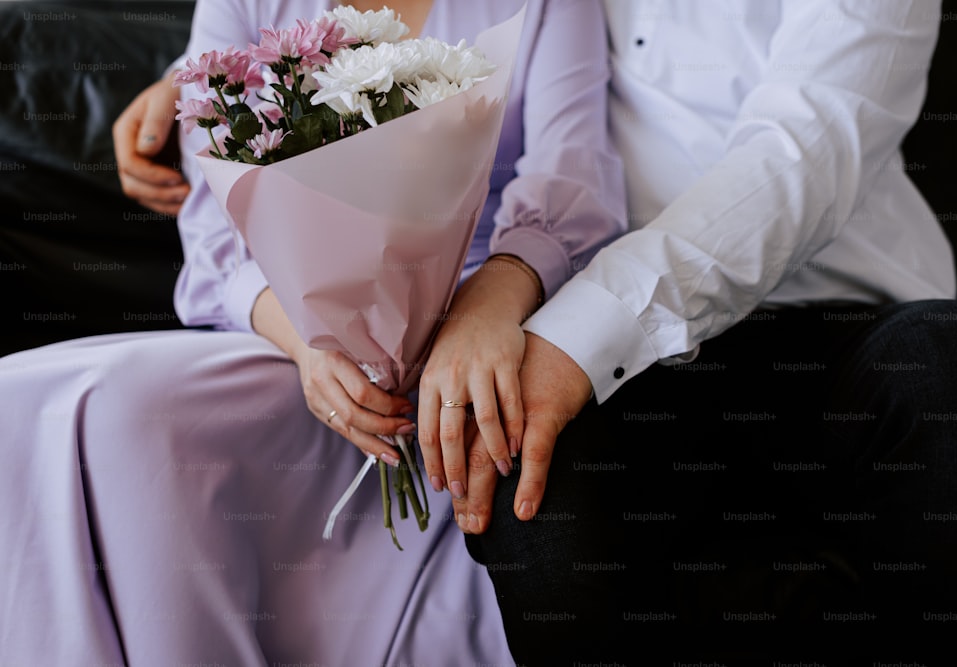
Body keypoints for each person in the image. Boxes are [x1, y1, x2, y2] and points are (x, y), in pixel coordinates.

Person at [0, 1, 625, 665]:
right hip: (286, 338)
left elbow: (573, 170)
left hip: (472, 334)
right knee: (76, 410)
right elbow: (214, 228)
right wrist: (306, 343)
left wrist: (489, 303)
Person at [437, 0, 957, 663]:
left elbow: (803, 153)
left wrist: (581, 333)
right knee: (524, 479)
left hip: (845, 324)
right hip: (629, 367)